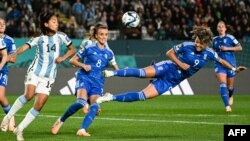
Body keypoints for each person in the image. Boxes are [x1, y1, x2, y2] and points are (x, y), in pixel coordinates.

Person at [96, 26, 246, 109]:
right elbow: (169, 52)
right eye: (197, 41)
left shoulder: (209, 53)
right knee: (141, 72)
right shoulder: (187, 45)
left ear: (206, 43)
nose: (198, 44)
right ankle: (111, 73)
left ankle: (110, 97)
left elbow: (221, 60)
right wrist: (180, 64)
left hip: (172, 81)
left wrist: (233, 69)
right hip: (169, 67)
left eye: (201, 43)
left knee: (142, 96)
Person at [0, 11, 75, 141]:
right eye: (53, 22)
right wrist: (15, 54)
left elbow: (72, 49)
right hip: (35, 72)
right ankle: (7, 118)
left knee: (39, 105)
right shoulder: (39, 38)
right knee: (29, 95)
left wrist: (63, 58)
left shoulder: (62, 36)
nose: (57, 24)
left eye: (57, 22)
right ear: (46, 24)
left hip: (49, 77)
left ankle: (20, 130)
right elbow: (25, 47)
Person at [51, 23, 119, 137]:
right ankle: (61, 120)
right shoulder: (89, 48)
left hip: (98, 82)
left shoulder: (109, 53)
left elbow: (117, 70)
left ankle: (82, 130)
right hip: (84, 77)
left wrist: (121, 72)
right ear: (96, 36)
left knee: (95, 106)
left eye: (106, 35)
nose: (104, 37)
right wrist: (83, 66)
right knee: (81, 102)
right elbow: (72, 61)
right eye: (101, 34)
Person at [212, 21, 243, 112]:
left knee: (230, 87)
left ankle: (231, 95)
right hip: (219, 64)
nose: (221, 28)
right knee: (222, 84)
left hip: (231, 65)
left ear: (225, 28)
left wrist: (228, 48)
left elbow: (240, 47)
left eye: (222, 26)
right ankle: (227, 106)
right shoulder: (214, 40)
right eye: (219, 26)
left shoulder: (230, 38)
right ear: (217, 29)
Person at [0, 18, 16, 131]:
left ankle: (11, 117)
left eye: (3, 24)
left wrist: (3, 57)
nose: (1, 25)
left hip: (2, 70)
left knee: (0, 97)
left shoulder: (9, 40)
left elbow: (13, 58)